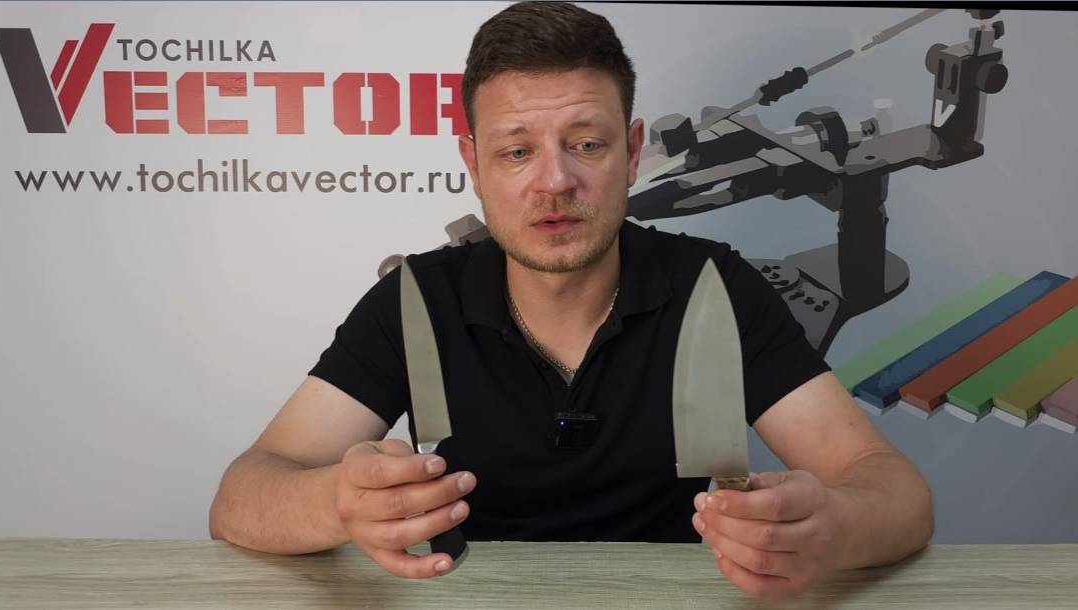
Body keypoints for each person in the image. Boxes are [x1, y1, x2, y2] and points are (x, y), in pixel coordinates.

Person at [209, 1, 933, 600]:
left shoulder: (716, 288)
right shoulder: (414, 301)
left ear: (633, 151)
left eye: (586, 144)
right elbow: (241, 497)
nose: (554, 182)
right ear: (473, 164)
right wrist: (339, 502)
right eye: (516, 151)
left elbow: (897, 491)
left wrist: (833, 526)